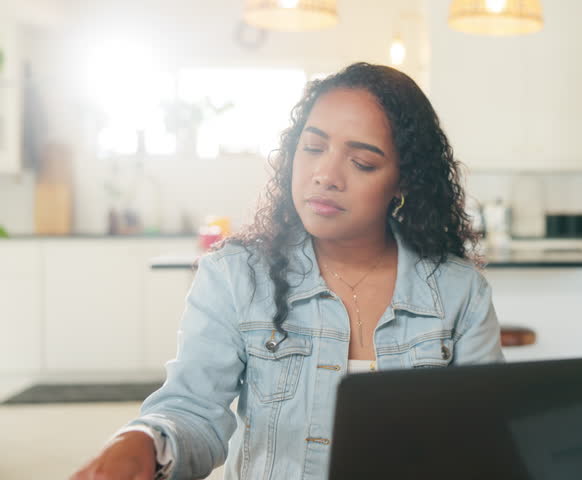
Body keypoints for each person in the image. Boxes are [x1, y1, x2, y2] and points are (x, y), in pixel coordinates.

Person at [72, 63, 504, 480]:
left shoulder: (458, 290)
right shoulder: (235, 275)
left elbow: (488, 435)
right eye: (313, 148)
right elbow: (193, 411)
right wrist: (144, 441)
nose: (325, 175)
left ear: (403, 181)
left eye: (362, 163)